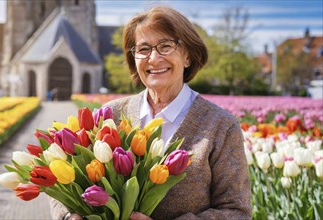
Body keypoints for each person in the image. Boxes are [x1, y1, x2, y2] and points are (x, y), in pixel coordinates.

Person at [49, 5, 251, 220]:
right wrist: (69, 216)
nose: (154, 58)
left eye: (166, 46)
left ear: (188, 57)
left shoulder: (220, 126)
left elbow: (236, 211)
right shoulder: (109, 115)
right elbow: (61, 175)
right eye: (143, 49)